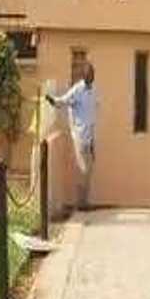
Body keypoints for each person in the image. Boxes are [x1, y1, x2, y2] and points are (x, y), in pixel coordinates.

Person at [45, 62, 98, 211]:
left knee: (89, 171)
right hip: (80, 136)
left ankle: (84, 202)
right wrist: (52, 100)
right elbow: (63, 101)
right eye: (89, 74)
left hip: (90, 137)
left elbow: (92, 115)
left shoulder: (93, 91)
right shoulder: (77, 90)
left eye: (93, 74)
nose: (92, 77)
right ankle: (80, 203)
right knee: (83, 169)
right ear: (84, 75)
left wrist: (93, 140)